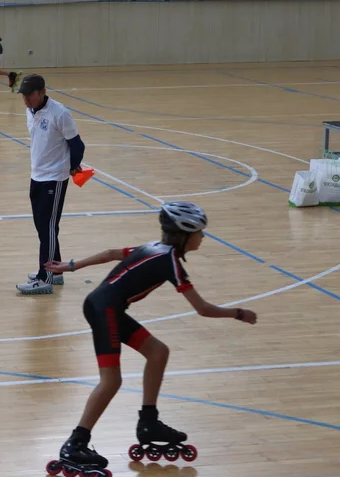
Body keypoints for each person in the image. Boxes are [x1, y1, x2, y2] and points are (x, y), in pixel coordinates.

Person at [42, 202, 258, 475]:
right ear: (184, 235)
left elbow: (111, 253)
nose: (203, 237)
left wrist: (72, 266)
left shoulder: (152, 247)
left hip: (105, 307)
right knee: (111, 380)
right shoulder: (169, 261)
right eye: (200, 233)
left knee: (158, 352)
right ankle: (75, 443)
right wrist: (238, 313)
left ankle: (149, 422)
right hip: (104, 310)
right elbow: (202, 309)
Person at [16, 74, 85, 295]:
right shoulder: (30, 111)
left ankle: (44, 278)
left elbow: (77, 145)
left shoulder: (59, 113)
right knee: (42, 226)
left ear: (42, 92)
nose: (26, 99)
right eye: (24, 95)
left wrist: (72, 166)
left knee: (48, 228)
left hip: (54, 179)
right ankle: (55, 271)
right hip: (36, 175)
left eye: (30, 95)